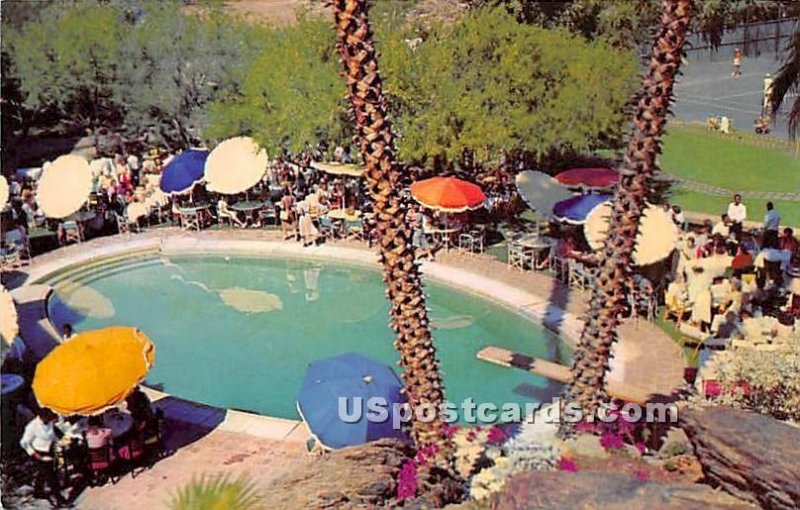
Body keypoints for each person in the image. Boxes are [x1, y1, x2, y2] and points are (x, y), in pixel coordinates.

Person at [20, 408, 63, 504]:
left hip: (50, 450)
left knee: (43, 473)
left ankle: (37, 492)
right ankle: (59, 498)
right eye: (48, 418)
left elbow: (52, 433)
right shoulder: (32, 426)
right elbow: (24, 442)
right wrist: (34, 453)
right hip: (39, 453)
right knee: (51, 476)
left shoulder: (49, 421)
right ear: (42, 417)